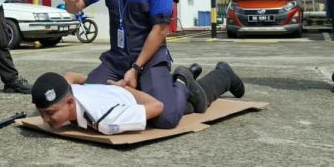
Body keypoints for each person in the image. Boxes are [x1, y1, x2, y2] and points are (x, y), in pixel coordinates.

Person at [59, 0, 185, 127]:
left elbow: (161, 30)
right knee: (82, 108)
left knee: (165, 118)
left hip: (149, 59)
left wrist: (135, 69)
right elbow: (76, 7)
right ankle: (127, 87)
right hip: (117, 60)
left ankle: (182, 81)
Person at [31, 63, 245, 134]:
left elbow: (156, 106)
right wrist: (93, 83)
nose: (45, 120)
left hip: (136, 94)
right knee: (191, 102)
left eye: (50, 114)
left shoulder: (106, 121)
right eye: (43, 114)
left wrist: (125, 90)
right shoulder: (67, 91)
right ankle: (189, 79)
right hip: (121, 84)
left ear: (70, 102)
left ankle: (182, 80)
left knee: (176, 113)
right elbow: (67, 77)